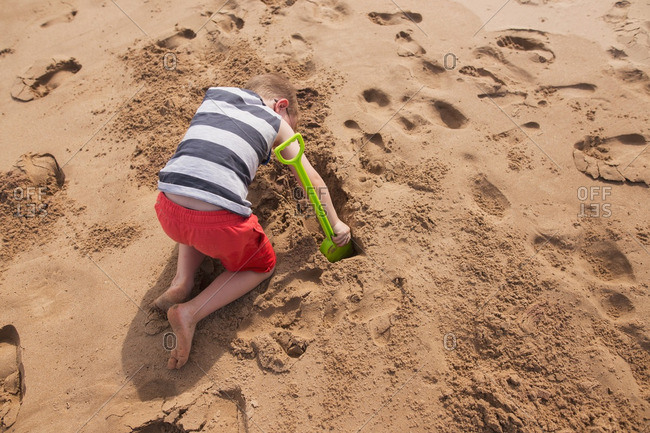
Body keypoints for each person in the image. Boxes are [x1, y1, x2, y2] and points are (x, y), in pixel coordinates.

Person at [152, 73, 351, 369]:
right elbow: (311, 179)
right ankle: (190, 311)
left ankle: (182, 281)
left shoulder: (216, 95)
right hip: (218, 222)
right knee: (261, 265)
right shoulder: (275, 121)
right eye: (290, 121)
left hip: (167, 206)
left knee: (196, 190)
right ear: (281, 106)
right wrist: (335, 225)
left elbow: (204, 160)